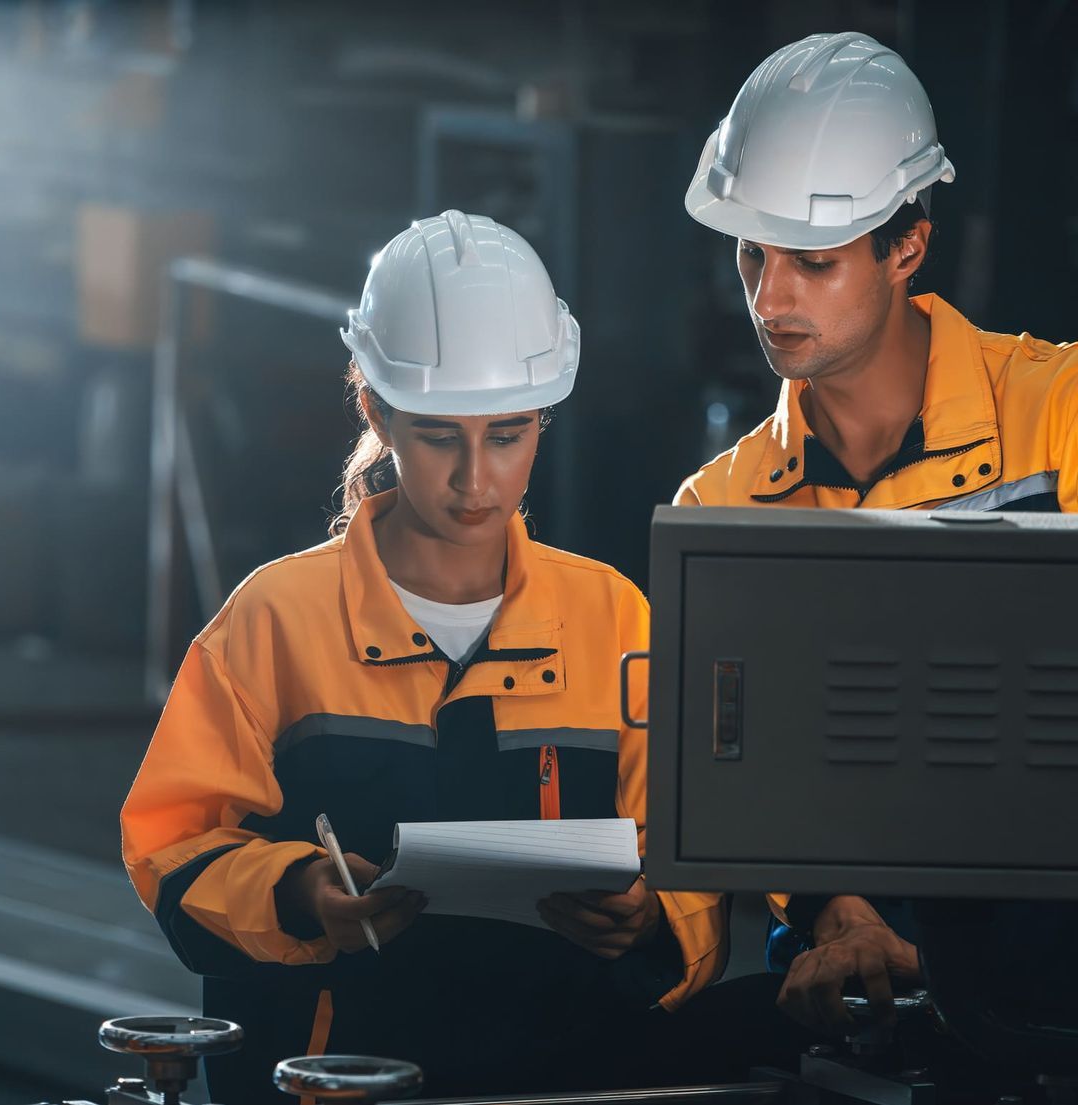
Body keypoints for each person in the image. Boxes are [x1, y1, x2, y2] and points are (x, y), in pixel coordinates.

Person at [677, 32, 1078, 1035]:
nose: (769, 299)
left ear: (907, 247)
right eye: (751, 254)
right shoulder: (720, 505)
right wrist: (843, 913)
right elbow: (739, 770)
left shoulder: (1072, 403)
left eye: (811, 261)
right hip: (846, 973)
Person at [121, 211, 728, 1102]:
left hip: (568, 1081)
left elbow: (689, 855)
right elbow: (173, 844)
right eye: (442, 435)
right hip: (331, 1082)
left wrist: (649, 918)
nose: (476, 479)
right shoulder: (275, 619)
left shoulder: (614, 617)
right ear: (375, 406)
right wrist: (299, 893)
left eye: (509, 433)